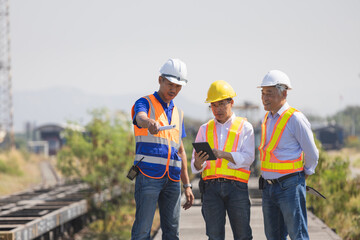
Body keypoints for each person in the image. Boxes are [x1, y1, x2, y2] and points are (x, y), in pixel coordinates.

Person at [130, 58, 194, 240]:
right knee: (143, 230)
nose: (174, 90)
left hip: (173, 180)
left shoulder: (178, 113)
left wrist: (187, 185)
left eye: (178, 86)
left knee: (172, 232)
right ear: (160, 80)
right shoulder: (145, 102)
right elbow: (140, 117)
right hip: (148, 176)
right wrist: (149, 122)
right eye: (170, 84)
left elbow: (180, 151)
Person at [257, 70, 319, 240]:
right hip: (269, 188)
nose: (264, 98)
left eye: (269, 93)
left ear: (283, 93)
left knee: (297, 235)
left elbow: (312, 153)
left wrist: (305, 172)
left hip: (290, 186)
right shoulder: (267, 118)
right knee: (273, 236)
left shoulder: (295, 119)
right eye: (262, 93)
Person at [191, 80, 254, 240]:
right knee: (214, 236)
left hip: (237, 188)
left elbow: (248, 158)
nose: (217, 109)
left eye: (221, 104)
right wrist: (198, 163)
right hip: (210, 189)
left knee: (243, 236)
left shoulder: (245, 127)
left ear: (231, 102)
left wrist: (223, 154)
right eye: (213, 105)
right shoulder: (204, 129)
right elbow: (195, 165)